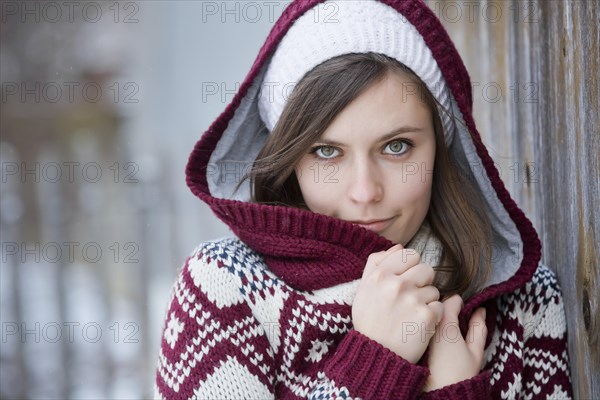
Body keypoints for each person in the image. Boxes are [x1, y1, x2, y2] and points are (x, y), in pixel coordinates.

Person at [154, 0, 573, 398]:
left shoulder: (521, 302)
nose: (365, 192)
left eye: (396, 147)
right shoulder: (224, 289)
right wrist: (375, 361)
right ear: (289, 158)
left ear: (443, 148)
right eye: (326, 152)